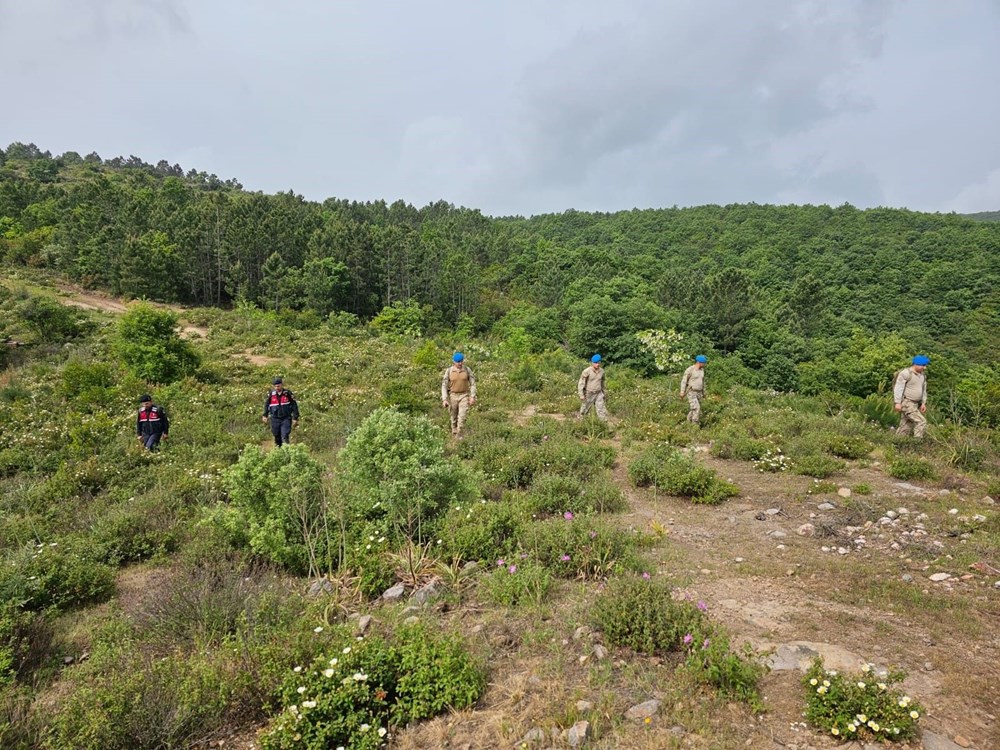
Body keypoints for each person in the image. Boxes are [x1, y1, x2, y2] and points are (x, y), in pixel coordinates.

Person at [441, 352, 476, 438]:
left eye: (461, 361)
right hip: (453, 396)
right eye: (458, 362)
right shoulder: (449, 371)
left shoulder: (467, 370)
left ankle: (459, 435)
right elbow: (444, 385)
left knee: (462, 417)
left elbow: (473, 383)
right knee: (453, 417)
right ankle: (454, 432)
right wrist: (445, 399)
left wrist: (472, 396)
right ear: (453, 362)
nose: (460, 363)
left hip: (464, 395)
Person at [894, 355, 929, 439]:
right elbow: (898, 388)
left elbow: (923, 389)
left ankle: (897, 444)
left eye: (925, 365)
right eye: (923, 365)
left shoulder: (922, 376)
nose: (925, 368)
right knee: (921, 422)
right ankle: (917, 443)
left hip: (916, 404)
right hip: (907, 402)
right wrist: (897, 402)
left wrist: (923, 403)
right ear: (915, 364)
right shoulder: (906, 373)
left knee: (906, 426)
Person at [262, 377, 299, 447]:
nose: (277, 388)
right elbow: (266, 404)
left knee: (285, 435)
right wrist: (265, 415)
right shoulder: (271, 395)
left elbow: (294, 405)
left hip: (286, 418)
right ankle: (278, 451)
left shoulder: (288, 394)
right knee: (276, 436)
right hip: (275, 418)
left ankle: (286, 451)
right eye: (275, 386)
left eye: (278, 386)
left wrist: (295, 418)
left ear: (281, 385)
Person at [578, 354, 609, 421]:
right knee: (584, 409)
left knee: (601, 409)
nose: (597, 364)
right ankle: (581, 424)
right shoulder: (587, 371)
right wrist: (581, 395)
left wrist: (604, 393)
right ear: (592, 363)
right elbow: (581, 383)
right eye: (595, 363)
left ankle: (604, 424)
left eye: (599, 362)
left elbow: (602, 382)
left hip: (598, 393)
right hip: (589, 393)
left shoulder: (602, 371)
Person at [680, 355, 708, 424]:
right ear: (699, 362)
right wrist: (682, 391)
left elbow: (702, 382)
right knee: (696, 408)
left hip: (699, 393)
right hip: (691, 392)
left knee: (693, 409)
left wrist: (704, 393)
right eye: (703, 363)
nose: (704, 364)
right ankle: (694, 426)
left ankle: (687, 423)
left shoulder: (702, 370)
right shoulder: (690, 369)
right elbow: (684, 381)